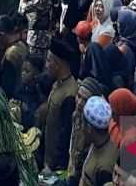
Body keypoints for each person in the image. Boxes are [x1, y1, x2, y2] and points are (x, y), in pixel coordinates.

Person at [43, 38, 78, 174]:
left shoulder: (70, 94)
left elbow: (65, 135)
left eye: (48, 61)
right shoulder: (57, 83)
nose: (46, 65)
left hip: (55, 166)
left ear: (57, 64)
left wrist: (53, 167)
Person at [79, 96, 117, 186]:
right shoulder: (99, 142)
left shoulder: (105, 168)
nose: (81, 128)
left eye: (82, 124)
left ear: (89, 128)